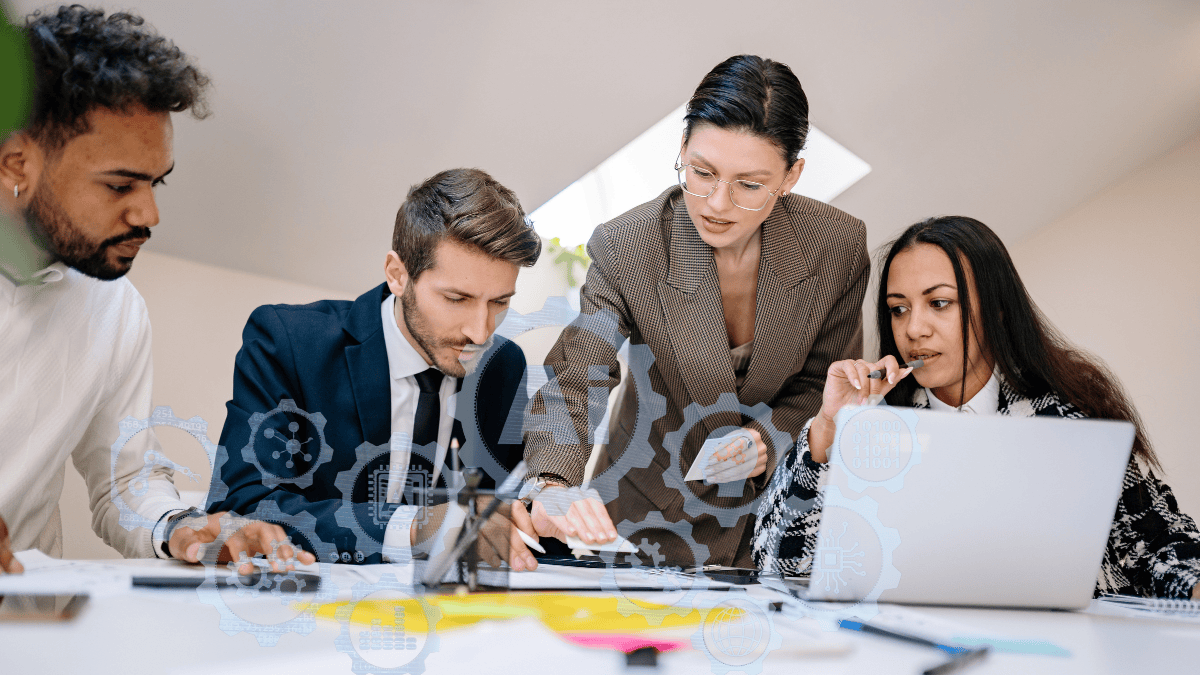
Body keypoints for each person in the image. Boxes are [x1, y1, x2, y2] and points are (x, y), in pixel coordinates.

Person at [522, 55, 870, 566]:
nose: (717, 204)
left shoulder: (835, 245)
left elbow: (825, 385)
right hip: (645, 514)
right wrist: (551, 483)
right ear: (682, 149)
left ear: (791, 175)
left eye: (749, 185)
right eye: (701, 172)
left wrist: (768, 439)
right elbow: (578, 375)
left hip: (774, 519)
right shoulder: (629, 245)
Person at [0, 5, 309, 574]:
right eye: (120, 185)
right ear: (17, 164)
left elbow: (125, 477)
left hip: (22, 626)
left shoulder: (112, 307)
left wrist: (179, 526)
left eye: (155, 182)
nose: (149, 213)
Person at [754, 215, 1200, 599]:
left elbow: (1157, 544)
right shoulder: (875, 423)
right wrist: (830, 429)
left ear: (998, 311)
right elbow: (779, 564)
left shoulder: (1067, 418)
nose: (914, 329)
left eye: (939, 303)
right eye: (898, 309)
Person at [207, 168, 551, 569]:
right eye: (457, 299)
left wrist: (538, 514)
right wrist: (414, 526)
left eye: (499, 302)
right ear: (397, 275)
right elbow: (243, 504)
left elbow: (500, 511)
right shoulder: (290, 343)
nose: (480, 332)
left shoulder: (501, 367)